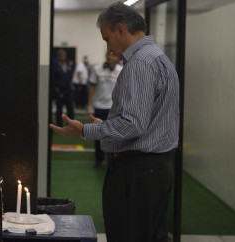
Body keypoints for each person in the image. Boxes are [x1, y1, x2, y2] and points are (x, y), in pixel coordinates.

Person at [49, 2, 179, 242]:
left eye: (107, 38)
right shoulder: (158, 58)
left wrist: (86, 130)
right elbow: (145, 119)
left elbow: (133, 125)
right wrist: (109, 125)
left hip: (137, 171)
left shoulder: (140, 63)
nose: (108, 47)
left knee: (128, 235)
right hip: (155, 168)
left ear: (121, 30)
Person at [87, 52, 122, 167]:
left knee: (112, 135)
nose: (109, 57)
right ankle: (98, 159)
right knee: (98, 135)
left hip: (114, 108)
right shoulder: (96, 69)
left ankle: (110, 159)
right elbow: (92, 87)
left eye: (113, 55)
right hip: (99, 107)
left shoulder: (121, 70)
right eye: (108, 55)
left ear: (117, 57)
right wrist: (89, 104)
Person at [53, 49, 74, 127]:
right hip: (60, 89)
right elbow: (53, 78)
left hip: (68, 89)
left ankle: (71, 124)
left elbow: (70, 75)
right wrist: (56, 88)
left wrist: (71, 84)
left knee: (70, 108)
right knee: (59, 109)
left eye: (65, 55)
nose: (64, 57)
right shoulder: (55, 65)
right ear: (58, 56)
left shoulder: (68, 64)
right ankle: (59, 125)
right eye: (62, 55)